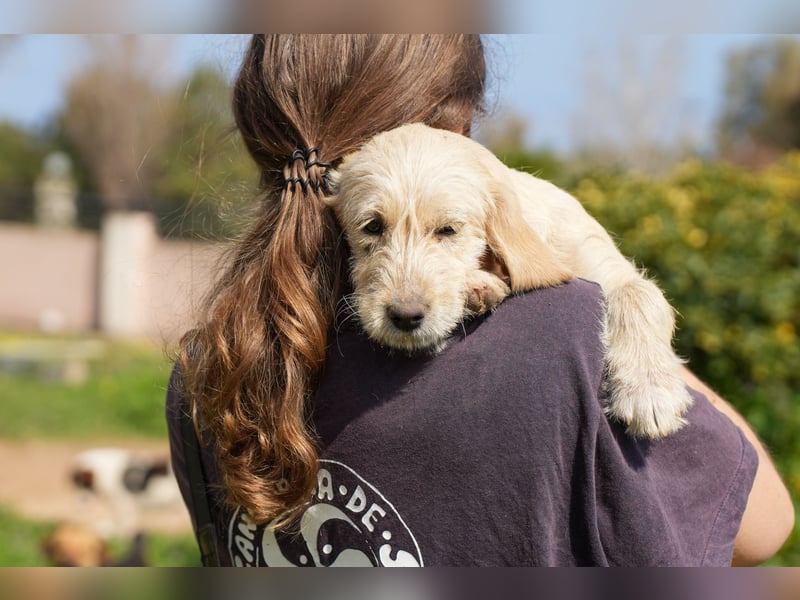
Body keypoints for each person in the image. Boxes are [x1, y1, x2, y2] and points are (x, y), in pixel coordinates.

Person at [166, 34, 793, 567]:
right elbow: (765, 525)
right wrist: (613, 301)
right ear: (453, 124)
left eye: (445, 231)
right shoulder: (565, 338)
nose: (408, 296)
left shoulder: (205, 372)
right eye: (373, 231)